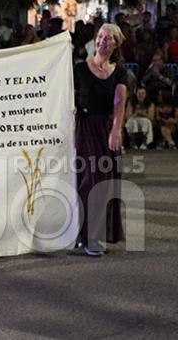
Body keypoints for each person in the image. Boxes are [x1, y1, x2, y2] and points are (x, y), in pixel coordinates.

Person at [73, 24, 127, 256]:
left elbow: (119, 103)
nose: (103, 42)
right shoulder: (80, 69)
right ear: (94, 40)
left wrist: (116, 130)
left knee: (107, 185)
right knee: (90, 181)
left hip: (107, 127)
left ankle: (98, 235)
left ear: (115, 44)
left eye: (109, 39)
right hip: (86, 128)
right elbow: (67, 96)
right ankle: (89, 238)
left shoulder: (119, 71)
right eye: (100, 37)